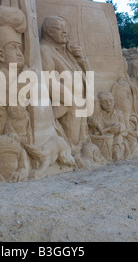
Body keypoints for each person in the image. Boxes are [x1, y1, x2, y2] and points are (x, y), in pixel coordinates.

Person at [40, 16, 102, 164]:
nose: (66, 33)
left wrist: (82, 60)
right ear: (49, 32)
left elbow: (85, 76)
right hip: (66, 105)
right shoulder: (44, 50)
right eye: (61, 29)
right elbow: (47, 80)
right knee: (72, 138)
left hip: (79, 103)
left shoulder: (64, 52)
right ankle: (70, 158)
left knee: (81, 138)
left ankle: (78, 156)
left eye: (66, 29)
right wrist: (70, 97)